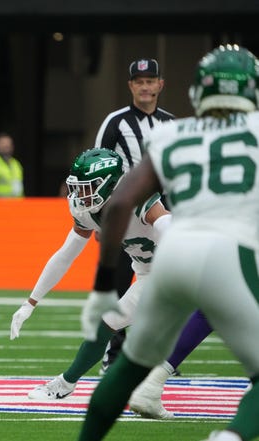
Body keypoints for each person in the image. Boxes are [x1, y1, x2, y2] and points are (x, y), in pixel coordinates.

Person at [78, 44, 259, 441]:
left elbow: (123, 199)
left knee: (130, 367)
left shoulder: (174, 132)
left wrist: (106, 280)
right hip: (230, 252)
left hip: (173, 253)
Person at [9, 147, 171, 400]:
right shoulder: (88, 211)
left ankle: (66, 383)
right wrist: (30, 302)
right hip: (147, 273)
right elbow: (65, 255)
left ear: (110, 183)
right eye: (78, 187)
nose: (80, 194)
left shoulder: (137, 197)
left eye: (88, 186)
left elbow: (168, 225)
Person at [93, 58, 175, 373]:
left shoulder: (171, 123)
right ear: (130, 86)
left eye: (150, 80)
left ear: (160, 84)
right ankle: (113, 352)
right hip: (124, 214)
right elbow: (97, 161)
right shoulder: (115, 122)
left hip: (160, 213)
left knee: (163, 286)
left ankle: (156, 354)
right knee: (117, 282)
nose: (144, 86)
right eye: (138, 81)